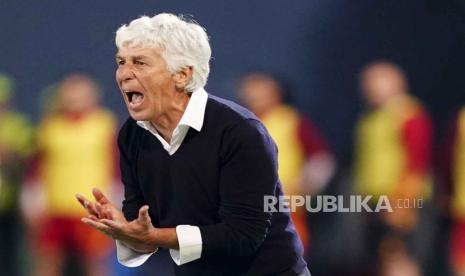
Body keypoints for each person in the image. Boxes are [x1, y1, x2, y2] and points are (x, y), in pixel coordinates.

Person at [76, 13, 310, 275]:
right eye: (121, 62)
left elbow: (244, 234)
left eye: (140, 63)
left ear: (182, 75)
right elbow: (144, 227)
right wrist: (128, 232)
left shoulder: (239, 131)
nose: (124, 74)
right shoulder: (132, 135)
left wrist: (154, 237)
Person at [23, 74, 118, 276]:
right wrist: (32, 197)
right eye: (70, 92)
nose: (74, 97)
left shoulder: (104, 124)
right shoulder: (50, 127)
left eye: (80, 92)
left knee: (94, 263)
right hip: (54, 206)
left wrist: (115, 198)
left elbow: (116, 163)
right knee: (48, 261)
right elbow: (37, 165)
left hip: (91, 207)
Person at [239, 72, 335, 253]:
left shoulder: (292, 121)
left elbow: (321, 159)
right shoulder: (241, 121)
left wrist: (306, 186)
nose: (253, 95)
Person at [354, 61, 433, 276]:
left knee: (400, 255)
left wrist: (402, 200)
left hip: (400, 199)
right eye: (367, 83)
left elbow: (417, 160)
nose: (370, 88)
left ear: (397, 84)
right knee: (380, 257)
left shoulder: (408, 113)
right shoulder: (371, 116)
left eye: (377, 82)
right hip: (375, 199)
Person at [0, 73, 34, 276]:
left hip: (10, 204)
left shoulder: (18, 124)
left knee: (12, 254)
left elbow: (28, 158)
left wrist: (9, 156)